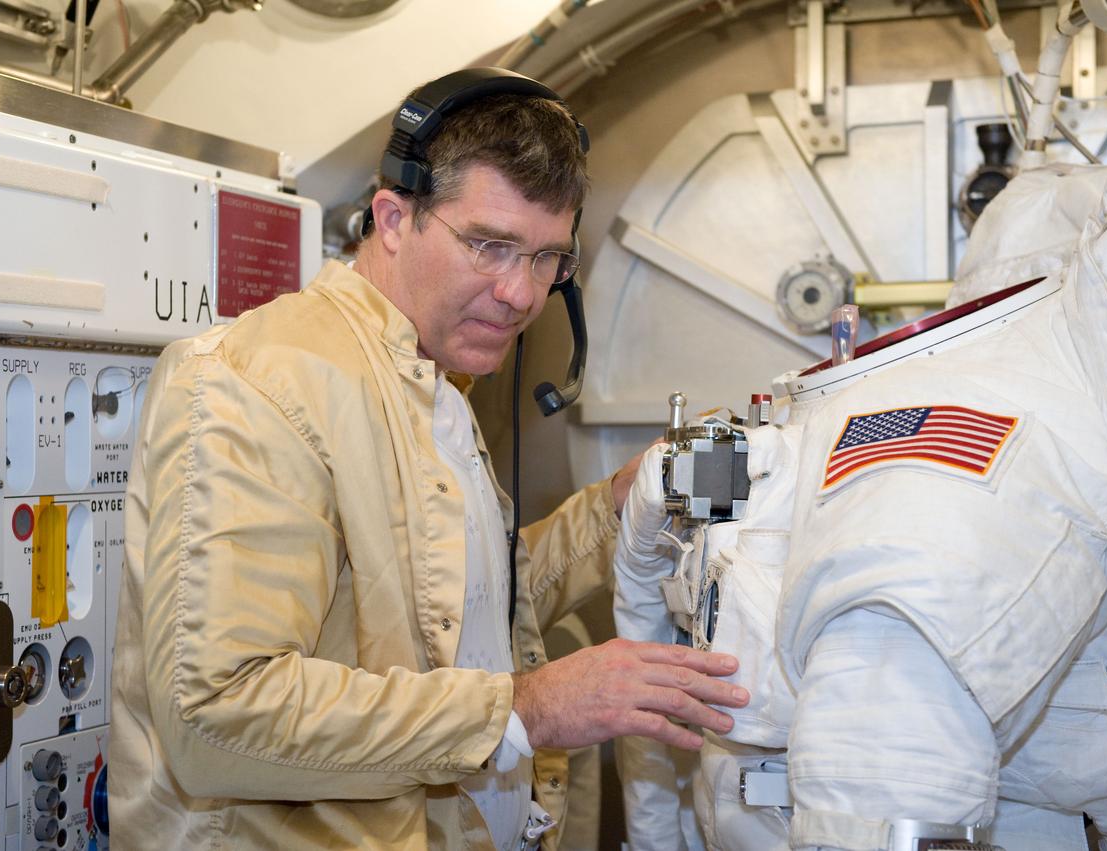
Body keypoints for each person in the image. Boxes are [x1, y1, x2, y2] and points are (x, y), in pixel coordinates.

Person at [109, 68, 749, 851]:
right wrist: (526, 708)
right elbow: (218, 714)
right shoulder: (259, 380)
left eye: (549, 259)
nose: (520, 294)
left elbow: (460, 617)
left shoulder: (435, 384)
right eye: (489, 245)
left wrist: (614, 508)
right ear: (392, 217)